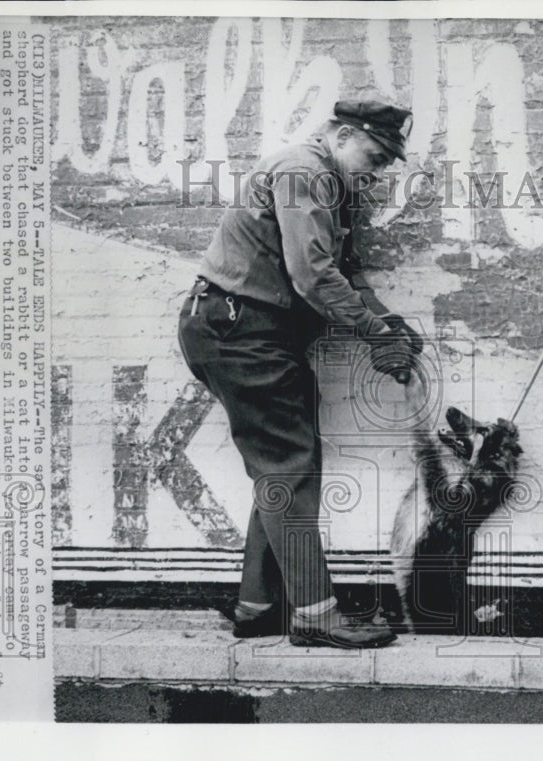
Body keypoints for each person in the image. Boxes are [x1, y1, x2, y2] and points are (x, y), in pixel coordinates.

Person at [178, 100, 422, 649]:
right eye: (374, 155)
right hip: (241, 330)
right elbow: (310, 274)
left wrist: (384, 319)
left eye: (386, 163)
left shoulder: (332, 185)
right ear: (341, 134)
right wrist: (372, 334)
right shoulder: (300, 170)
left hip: (259, 334)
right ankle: (315, 613)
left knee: (288, 465)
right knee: (288, 467)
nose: (377, 169)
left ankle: (258, 605)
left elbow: (344, 271)